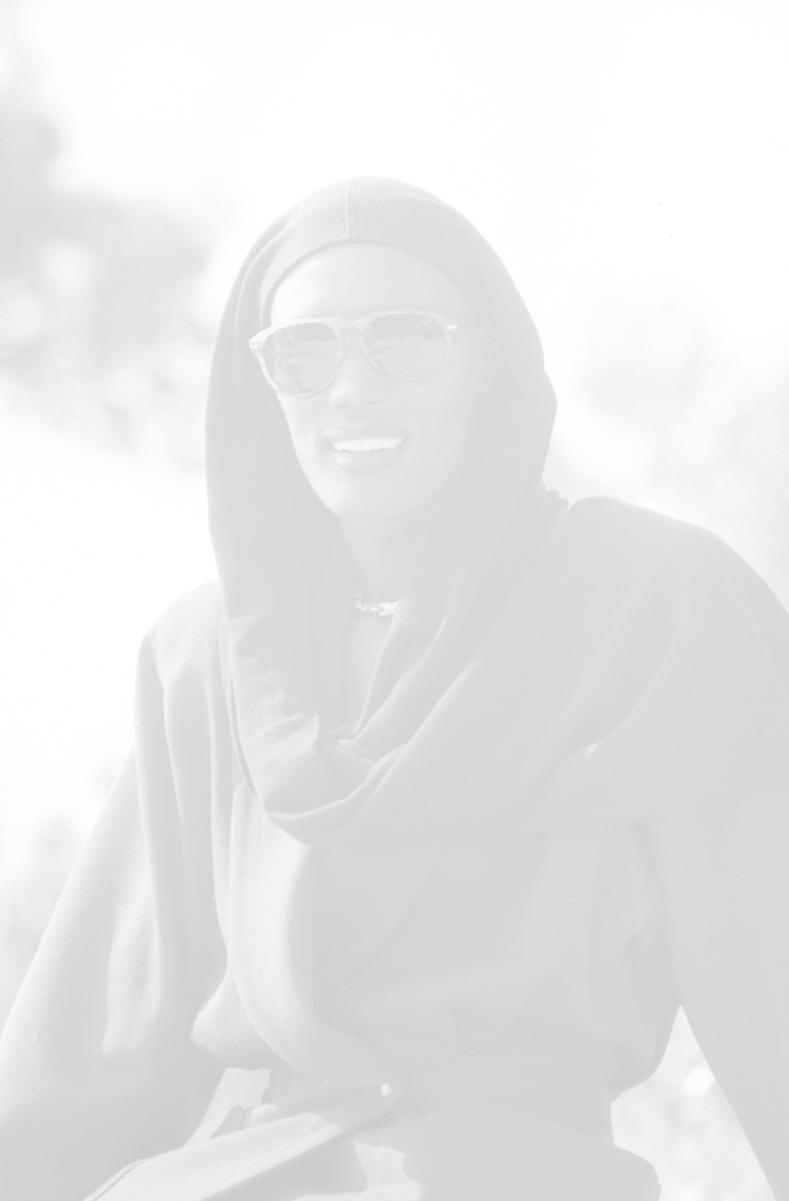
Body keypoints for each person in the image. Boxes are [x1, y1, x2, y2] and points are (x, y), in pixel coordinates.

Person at [0, 176, 787, 1201]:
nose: (351, 387)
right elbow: (80, 1073)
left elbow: (767, 983)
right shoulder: (206, 657)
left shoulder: (653, 605)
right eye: (304, 350)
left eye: (404, 336)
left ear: (486, 358)